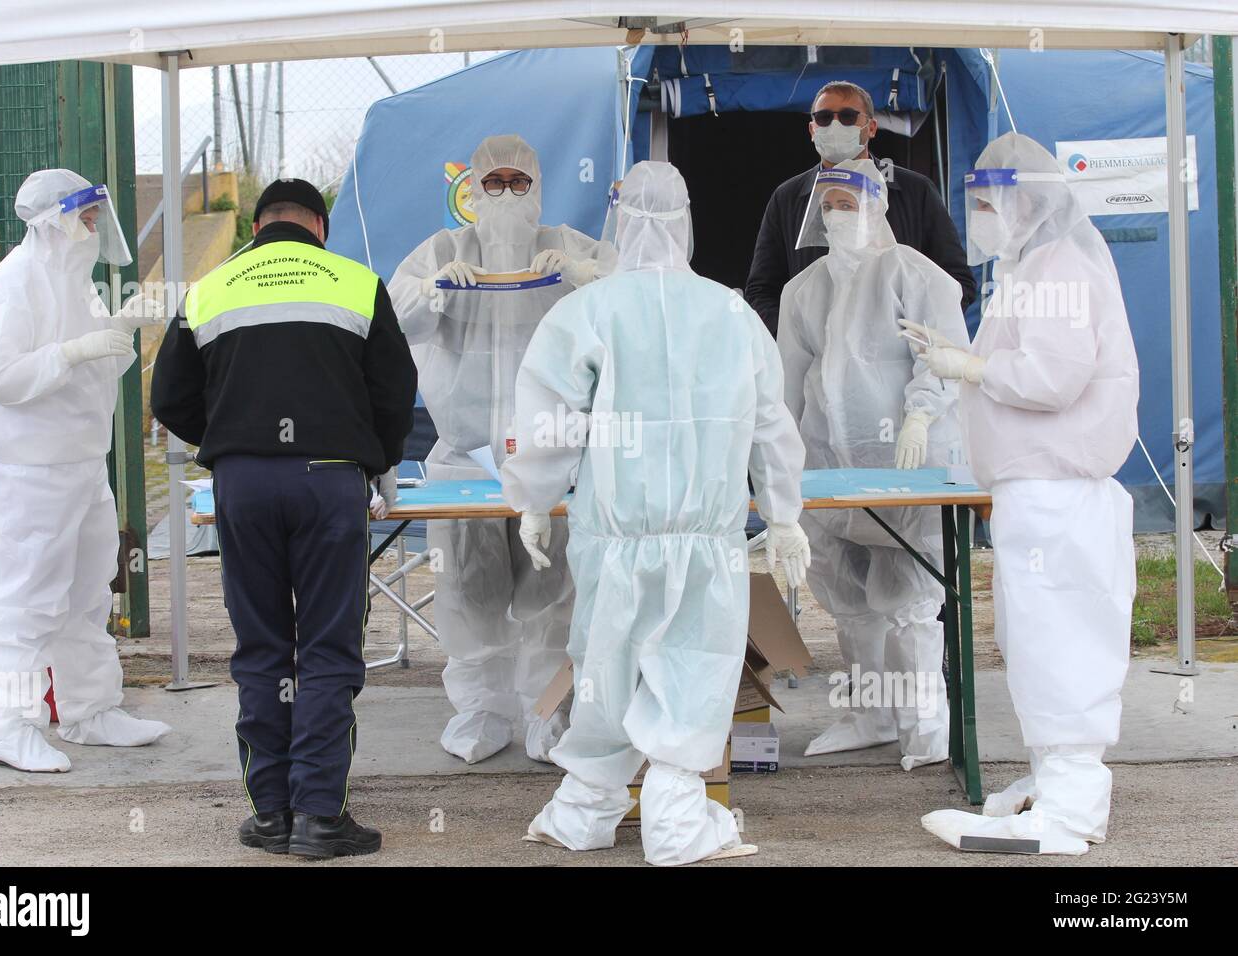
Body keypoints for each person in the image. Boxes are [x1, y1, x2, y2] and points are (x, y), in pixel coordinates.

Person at [504, 161, 811, 866]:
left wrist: (533, 501)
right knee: (693, 671)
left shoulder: (587, 311)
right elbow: (771, 424)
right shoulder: (731, 312)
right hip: (706, 539)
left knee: (605, 668)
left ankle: (584, 812)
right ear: (685, 219)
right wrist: (784, 513)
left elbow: (549, 419)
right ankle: (674, 820)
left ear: (617, 217)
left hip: (615, 534)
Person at [152, 177, 417, 858]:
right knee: (328, 648)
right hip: (330, 480)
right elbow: (395, 390)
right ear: (319, 228)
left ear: (258, 226)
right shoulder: (356, 282)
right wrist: (375, 459)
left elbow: (169, 397)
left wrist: (235, 439)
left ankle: (270, 813)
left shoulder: (211, 289)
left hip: (241, 482)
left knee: (263, 648)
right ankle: (320, 818)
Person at [913, 132, 1139, 855]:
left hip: (1056, 488)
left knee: (1059, 641)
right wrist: (966, 362)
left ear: (1026, 198)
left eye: (987, 201)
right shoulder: (1036, 265)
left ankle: (1070, 811)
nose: (979, 214)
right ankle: (1055, 778)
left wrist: (971, 368)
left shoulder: (1059, 266)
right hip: (1039, 489)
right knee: (1036, 639)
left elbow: (1053, 377)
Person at [388, 134, 618, 764]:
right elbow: (394, 312)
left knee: (554, 589)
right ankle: (480, 710)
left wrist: (583, 277)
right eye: (495, 182)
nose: (508, 194)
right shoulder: (444, 249)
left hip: (552, 454)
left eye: (521, 182)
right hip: (465, 456)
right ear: (473, 190)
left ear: (538, 187)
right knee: (468, 585)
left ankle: (546, 712)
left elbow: (630, 295)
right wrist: (433, 288)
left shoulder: (565, 246)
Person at [0, 169, 170, 773]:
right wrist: (72, 351)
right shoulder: (12, 285)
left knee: (86, 593)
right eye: (84, 217)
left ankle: (90, 709)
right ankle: (7, 724)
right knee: (24, 598)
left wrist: (115, 332)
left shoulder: (77, 284)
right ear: (51, 218)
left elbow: (89, 373)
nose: (92, 229)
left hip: (81, 462)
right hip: (28, 470)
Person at [778, 158, 969, 769]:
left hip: (906, 458)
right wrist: (778, 457)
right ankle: (872, 712)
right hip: (828, 461)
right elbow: (788, 383)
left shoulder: (912, 273)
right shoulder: (803, 290)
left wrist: (920, 414)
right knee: (847, 593)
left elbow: (941, 352)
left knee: (911, 594)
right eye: (827, 204)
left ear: (879, 204)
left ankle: (926, 722)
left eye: (848, 201)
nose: (837, 214)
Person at [746, 80, 975, 336]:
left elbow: (956, 282)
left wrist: (911, 337)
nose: (834, 125)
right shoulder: (788, 198)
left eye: (847, 117)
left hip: (896, 366)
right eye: (823, 118)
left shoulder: (915, 191)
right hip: (813, 367)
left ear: (872, 127)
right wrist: (799, 339)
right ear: (812, 129)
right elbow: (761, 290)